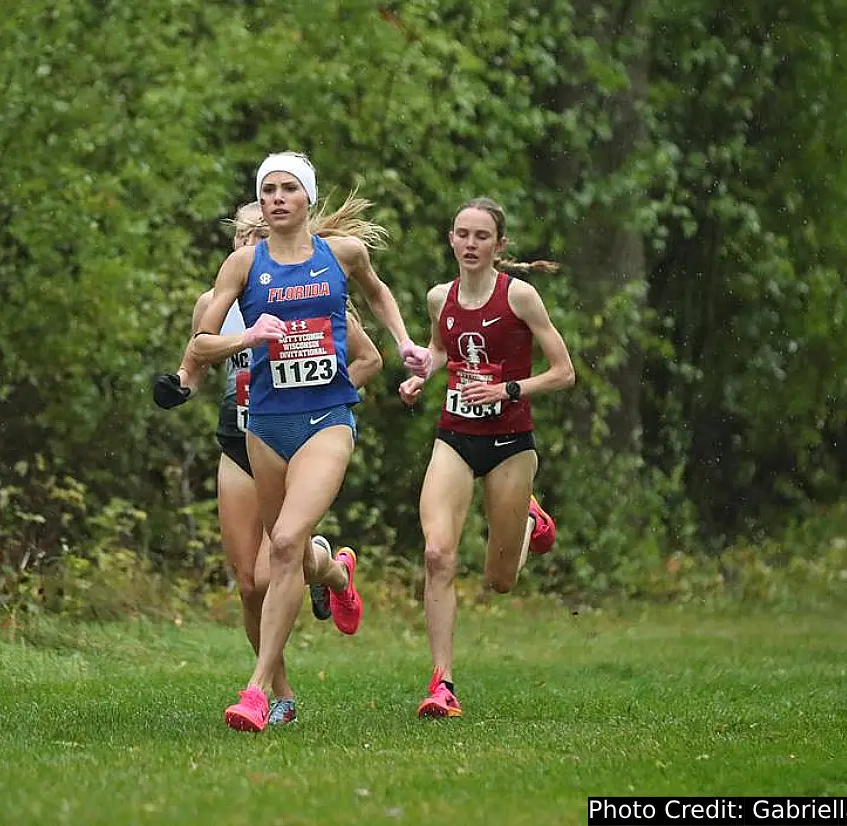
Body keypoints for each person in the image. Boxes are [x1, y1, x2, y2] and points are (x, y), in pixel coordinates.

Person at [191, 151, 431, 732]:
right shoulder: (233, 280)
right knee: (268, 571)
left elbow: (373, 311)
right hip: (254, 432)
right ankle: (327, 589)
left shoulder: (332, 266)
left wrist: (391, 352)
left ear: (305, 203)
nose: (274, 203)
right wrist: (238, 342)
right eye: (265, 193)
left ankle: (256, 693)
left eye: (286, 192)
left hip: (321, 420)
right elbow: (197, 347)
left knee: (286, 544)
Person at [152, 197, 387, 726]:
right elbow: (196, 359)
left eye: (258, 234)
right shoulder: (214, 300)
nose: (250, 243)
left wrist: (329, 392)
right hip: (239, 444)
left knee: (281, 556)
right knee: (249, 583)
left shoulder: (311, 291)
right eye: (243, 233)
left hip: (298, 434)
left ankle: (329, 574)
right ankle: (281, 693)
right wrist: (183, 385)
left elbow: (369, 358)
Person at [398, 197, 576, 719]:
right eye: (462, 234)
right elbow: (440, 349)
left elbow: (564, 372)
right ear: (451, 240)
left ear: (499, 246)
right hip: (454, 436)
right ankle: (442, 684)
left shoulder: (520, 297)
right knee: (437, 554)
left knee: (500, 581)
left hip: (510, 444)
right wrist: (420, 374)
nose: (470, 244)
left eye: (481, 236)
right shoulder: (439, 298)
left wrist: (509, 391)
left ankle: (527, 516)